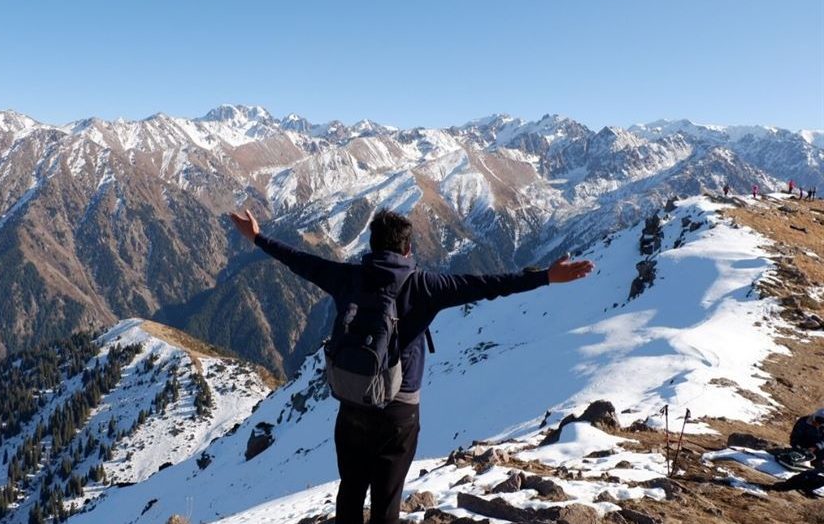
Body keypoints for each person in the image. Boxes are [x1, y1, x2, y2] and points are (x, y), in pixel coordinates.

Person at [229, 208, 594, 523]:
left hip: (353, 403)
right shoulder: (425, 285)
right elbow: (487, 284)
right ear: (407, 250)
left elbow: (300, 261)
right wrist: (545, 277)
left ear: (372, 246)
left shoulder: (347, 277)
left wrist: (258, 237)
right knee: (386, 499)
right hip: (399, 413)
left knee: (350, 491)